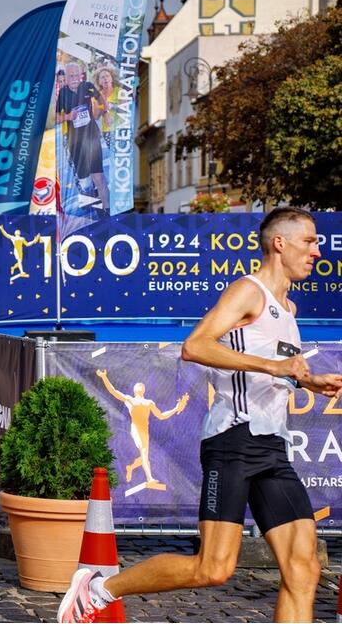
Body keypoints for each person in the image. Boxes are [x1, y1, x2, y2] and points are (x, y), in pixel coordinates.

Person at [59, 207, 342, 624]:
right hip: (234, 441)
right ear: (279, 243)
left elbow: (274, 369)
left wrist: (306, 382)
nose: (317, 251)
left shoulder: (289, 308)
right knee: (213, 568)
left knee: (304, 570)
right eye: (310, 241)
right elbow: (196, 346)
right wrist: (276, 368)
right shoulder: (249, 292)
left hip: (272, 447)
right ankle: (99, 587)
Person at [96, 369, 189, 490]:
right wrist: (104, 377)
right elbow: (113, 391)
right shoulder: (130, 400)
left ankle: (131, 467)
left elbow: (161, 416)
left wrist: (176, 408)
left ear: (144, 390)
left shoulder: (149, 402)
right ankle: (150, 478)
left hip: (145, 431)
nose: (140, 386)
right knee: (144, 453)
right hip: (135, 429)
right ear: (134, 390)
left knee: (145, 456)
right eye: (137, 385)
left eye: (141, 385)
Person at [56, 61, 107, 212]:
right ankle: (92, 212)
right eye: (71, 76)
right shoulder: (63, 93)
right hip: (75, 142)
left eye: (76, 75)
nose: (74, 78)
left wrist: (103, 112)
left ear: (81, 75)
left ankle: (106, 211)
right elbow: (57, 117)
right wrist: (68, 117)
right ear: (66, 77)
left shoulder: (88, 86)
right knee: (84, 180)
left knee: (98, 176)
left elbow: (102, 101)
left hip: (92, 137)